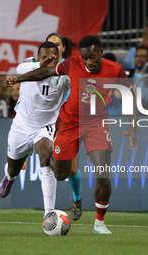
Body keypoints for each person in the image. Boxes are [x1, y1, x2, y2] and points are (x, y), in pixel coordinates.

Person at [5, 35, 138, 234]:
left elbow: (130, 96)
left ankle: (99, 224)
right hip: (69, 123)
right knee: (60, 174)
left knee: (103, 174)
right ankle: (32, 165)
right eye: (85, 58)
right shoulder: (71, 64)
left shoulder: (114, 69)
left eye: (92, 57)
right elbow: (45, 72)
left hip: (96, 124)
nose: (88, 62)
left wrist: (133, 128)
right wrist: (18, 79)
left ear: (101, 53)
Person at [0, 42, 71, 219]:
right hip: (21, 126)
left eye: (52, 57)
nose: (48, 60)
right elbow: (19, 67)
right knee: (14, 169)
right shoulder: (27, 65)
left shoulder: (64, 75)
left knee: (46, 155)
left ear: (59, 58)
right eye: (44, 57)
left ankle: (49, 214)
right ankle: (9, 175)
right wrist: (41, 64)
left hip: (45, 127)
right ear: (37, 57)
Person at [45, 33, 82, 220]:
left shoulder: (70, 67)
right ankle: (48, 208)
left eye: (57, 44)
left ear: (63, 48)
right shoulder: (37, 67)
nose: (53, 47)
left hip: (67, 121)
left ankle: (77, 198)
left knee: (72, 170)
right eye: (50, 44)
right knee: (45, 154)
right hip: (44, 122)